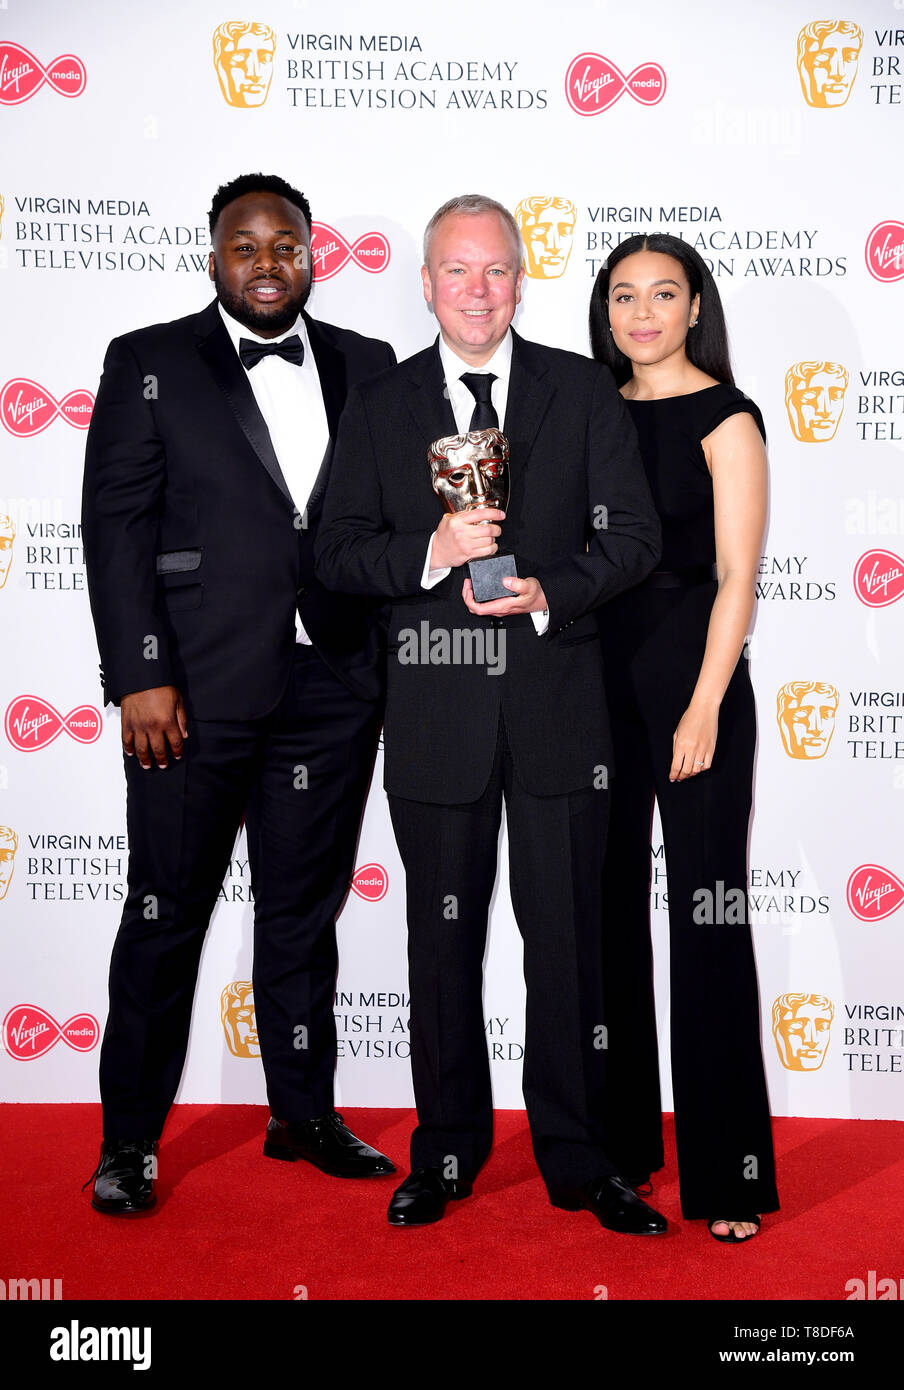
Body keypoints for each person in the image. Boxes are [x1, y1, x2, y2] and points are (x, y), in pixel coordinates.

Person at [316, 194, 666, 1235]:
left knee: (567, 947)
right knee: (441, 946)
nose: (478, 290)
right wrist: (434, 552)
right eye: (456, 271)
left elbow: (635, 539)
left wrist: (548, 588)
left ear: (522, 280)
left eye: (496, 270)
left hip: (562, 713)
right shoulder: (379, 405)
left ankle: (577, 1155)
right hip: (435, 717)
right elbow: (333, 555)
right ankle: (448, 1150)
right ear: (426, 284)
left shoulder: (579, 391)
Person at [81, 172, 396, 1214]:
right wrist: (140, 674)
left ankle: (300, 1113)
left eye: (286, 243)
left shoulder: (367, 363)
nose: (268, 261)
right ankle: (129, 1140)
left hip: (331, 685)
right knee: (166, 914)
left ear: (316, 252)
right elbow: (115, 528)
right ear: (213, 256)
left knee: (301, 914)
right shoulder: (151, 361)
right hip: (193, 693)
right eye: (245, 244)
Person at [589, 232, 779, 1242]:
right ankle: (623, 1148)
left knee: (706, 919)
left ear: (696, 306)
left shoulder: (726, 417)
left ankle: (729, 1171)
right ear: (606, 308)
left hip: (695, 690)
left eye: (665, 293)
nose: (644, 312)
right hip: (592, 698)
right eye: (625, 294)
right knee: (608, 914)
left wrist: (703, 703)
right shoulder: (584, 406)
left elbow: (736, 577)